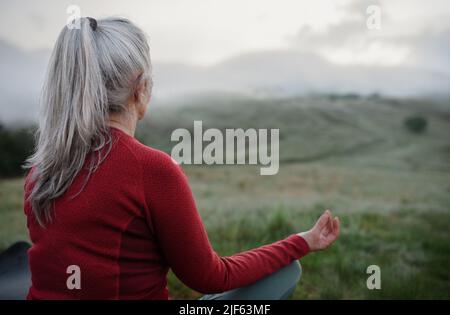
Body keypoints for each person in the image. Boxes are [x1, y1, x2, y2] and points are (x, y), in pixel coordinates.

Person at [23, 17, 340, 300]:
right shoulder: (150, 169)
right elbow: (211, 277)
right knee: (286, 273)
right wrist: (300, 242)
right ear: (141, 87)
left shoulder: (41, 170)